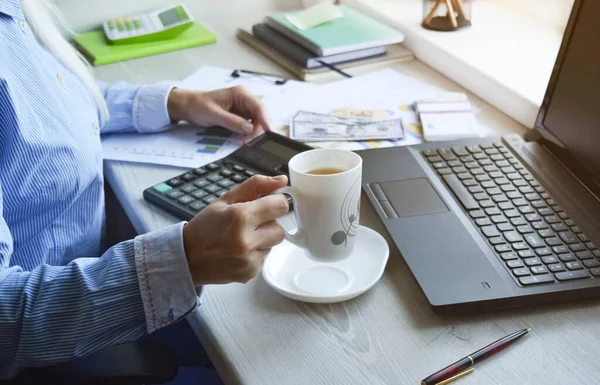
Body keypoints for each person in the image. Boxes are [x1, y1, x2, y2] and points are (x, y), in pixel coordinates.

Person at [0, 0, 290, 379]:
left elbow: (42, 102)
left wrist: (178, 102)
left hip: (85, 286)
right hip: (48, 345)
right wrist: (185, 260)